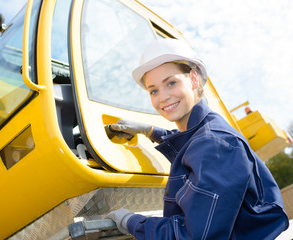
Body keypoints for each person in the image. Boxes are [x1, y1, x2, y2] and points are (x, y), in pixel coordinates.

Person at [106, 38, 288, 239]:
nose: (162, 97)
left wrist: (132, 222)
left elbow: (194, 237)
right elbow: (191, 146)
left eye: (171, 83)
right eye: (154, 90)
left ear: (193, 79)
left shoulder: (215, 144)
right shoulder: (208, 129)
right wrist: (150, 131)